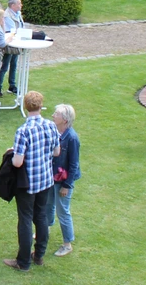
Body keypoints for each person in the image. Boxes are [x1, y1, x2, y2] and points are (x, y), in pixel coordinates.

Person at [4, 91, 60, 272]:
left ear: (26, 107)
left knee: (26, 220)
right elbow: (56, 152)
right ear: (40, 105)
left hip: (28, 184)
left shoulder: (23, 131)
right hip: (45, 180)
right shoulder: (51, 126)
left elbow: (18, 162)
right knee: (41, 216)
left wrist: (11, 153)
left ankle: (23, 262)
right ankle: (39, 256)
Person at [48, 103, 81, 258]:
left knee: (62, 211)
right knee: (48, 206)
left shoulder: (72, 138)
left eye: (57, 114)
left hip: (63, 181)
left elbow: (74, 164)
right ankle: (44, 232)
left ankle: (67, 244)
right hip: (52, 178)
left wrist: (67, 185)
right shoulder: (55, 131)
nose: (53, 115)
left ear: (65, 120)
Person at [0, 0, 27, 96]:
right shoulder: (7, 15)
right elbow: (12, 30)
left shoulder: (17, 13)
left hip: (16, 43)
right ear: (13, 5)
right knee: (5, 66)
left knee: (14, 65)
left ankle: (12, 85)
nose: (21, 5)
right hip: (10, 44)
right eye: (19, 3)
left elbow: (21, 27)